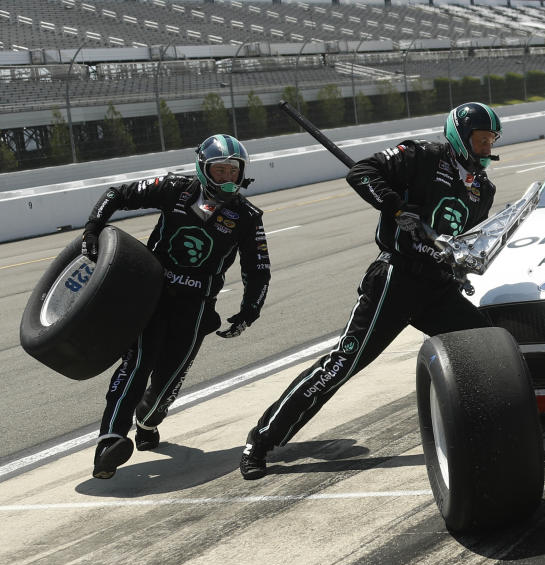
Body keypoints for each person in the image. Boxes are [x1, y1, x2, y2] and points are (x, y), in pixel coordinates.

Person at [239, 102, 502, 480]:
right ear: (460, 137)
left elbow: (460, 240)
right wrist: (394, 206)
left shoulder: (484, 190)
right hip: (395, 280)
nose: (486, 148)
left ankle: (498, 427)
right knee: (341, 365)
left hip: (437, 288)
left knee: (487, 344)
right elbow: (362, 172)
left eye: (490, 140)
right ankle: (261, 440)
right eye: (480, 140)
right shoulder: (422, 157)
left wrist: (458, 266)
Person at [84, 134, 270, 479]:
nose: (226, 178)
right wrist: (92, 230)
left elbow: (258, 269)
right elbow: (117, 194)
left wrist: (250, 310)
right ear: (203, 169)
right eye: (220, 171)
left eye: (233, 172)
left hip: (197, 308)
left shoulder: (247, 216)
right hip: (150, 296)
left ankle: (149, 421)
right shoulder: (174, 189)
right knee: (136, 364)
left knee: (165, 387)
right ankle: (108, 442)